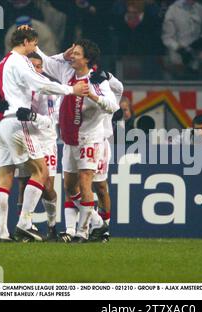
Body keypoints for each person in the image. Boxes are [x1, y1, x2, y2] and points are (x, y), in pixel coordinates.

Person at [0, 28, 86, 242]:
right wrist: (70, 90)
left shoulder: (4, 62)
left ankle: (2, 234)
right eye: (33, 44)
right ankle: (24, 223)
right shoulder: (21, 62)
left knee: (4, 178)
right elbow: (40, 83)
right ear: (25, 42)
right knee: (41, 171)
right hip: (15, 121)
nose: (35, 49)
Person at [34, 39, 120, 243]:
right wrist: (34, 43)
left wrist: (91, 94)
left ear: (87, 59)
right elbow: (43, 62)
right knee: (70, 188)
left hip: (90, 139)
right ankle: (99, 223)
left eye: (77, 54)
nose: (73, 56)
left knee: (86, 183)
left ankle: (82, 231)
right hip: (70, 139)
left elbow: (113, 107)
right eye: (73, 53)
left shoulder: (96, 80)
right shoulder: (67, 72)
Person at [14, 52, 61, 242]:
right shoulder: (18, 88)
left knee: (47, 186)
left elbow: (50, 121)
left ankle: (52, 226)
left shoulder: (46, 89)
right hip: (24, 136)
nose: (37, 70)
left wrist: (33, 117)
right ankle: (24, 227)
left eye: (40, 66)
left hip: (45, 140)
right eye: (33, 66)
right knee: (24, 183)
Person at [161, 0, 202, 77]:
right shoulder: (172, 10)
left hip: (197, 62)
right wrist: (179, 49)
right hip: (177, 62)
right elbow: (167, 38)